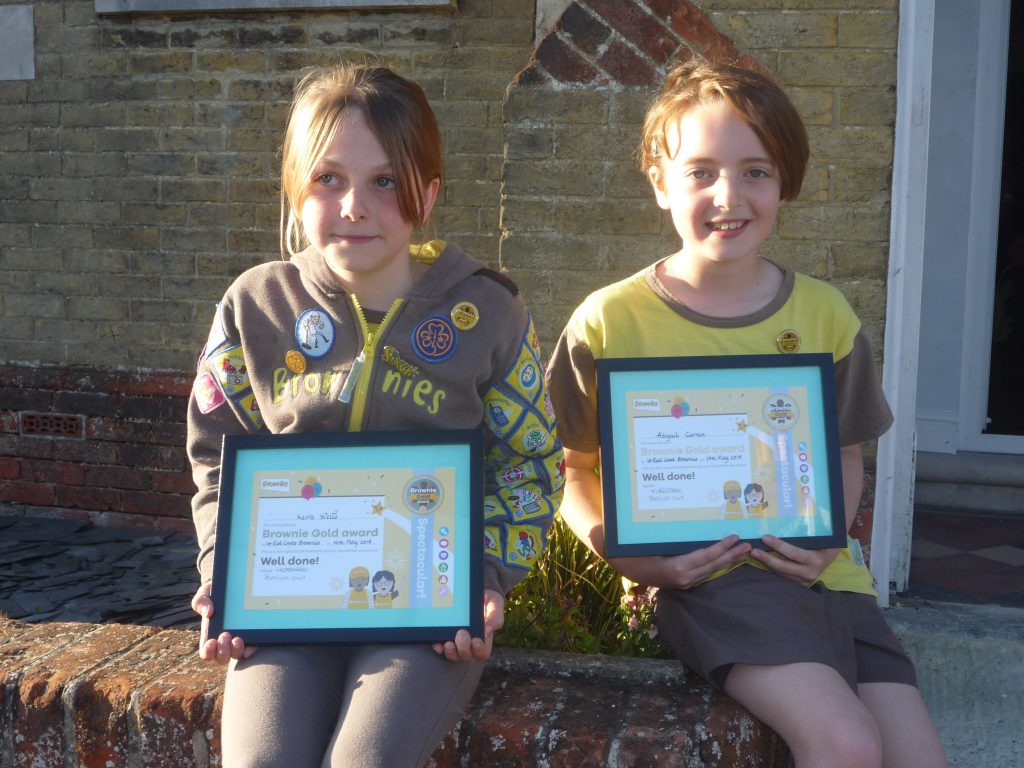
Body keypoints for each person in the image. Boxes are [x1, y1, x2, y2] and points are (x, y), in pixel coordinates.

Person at [545, 59, 947, 768]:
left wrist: (828, 544)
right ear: (660, 182)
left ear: (785, 181)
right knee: (847, 744)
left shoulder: (825, 314)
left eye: (755, 171)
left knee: (917, 759)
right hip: (708, 582)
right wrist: (629, 558)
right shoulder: (608, 321)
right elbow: (571, 468)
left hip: (828, 580)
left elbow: (845, 452)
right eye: (701, 172)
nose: (728, 195)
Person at [187, 62, 563, 768]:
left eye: (385, 181)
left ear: (430, 191)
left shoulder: (489, 310)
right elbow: (217, 455)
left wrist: (484, 575)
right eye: (328, 178)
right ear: (294, 187)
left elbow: (529, 461)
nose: (355, 205)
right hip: (286, 608)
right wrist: (224, 573)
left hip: (425, 617)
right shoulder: (253, 305)